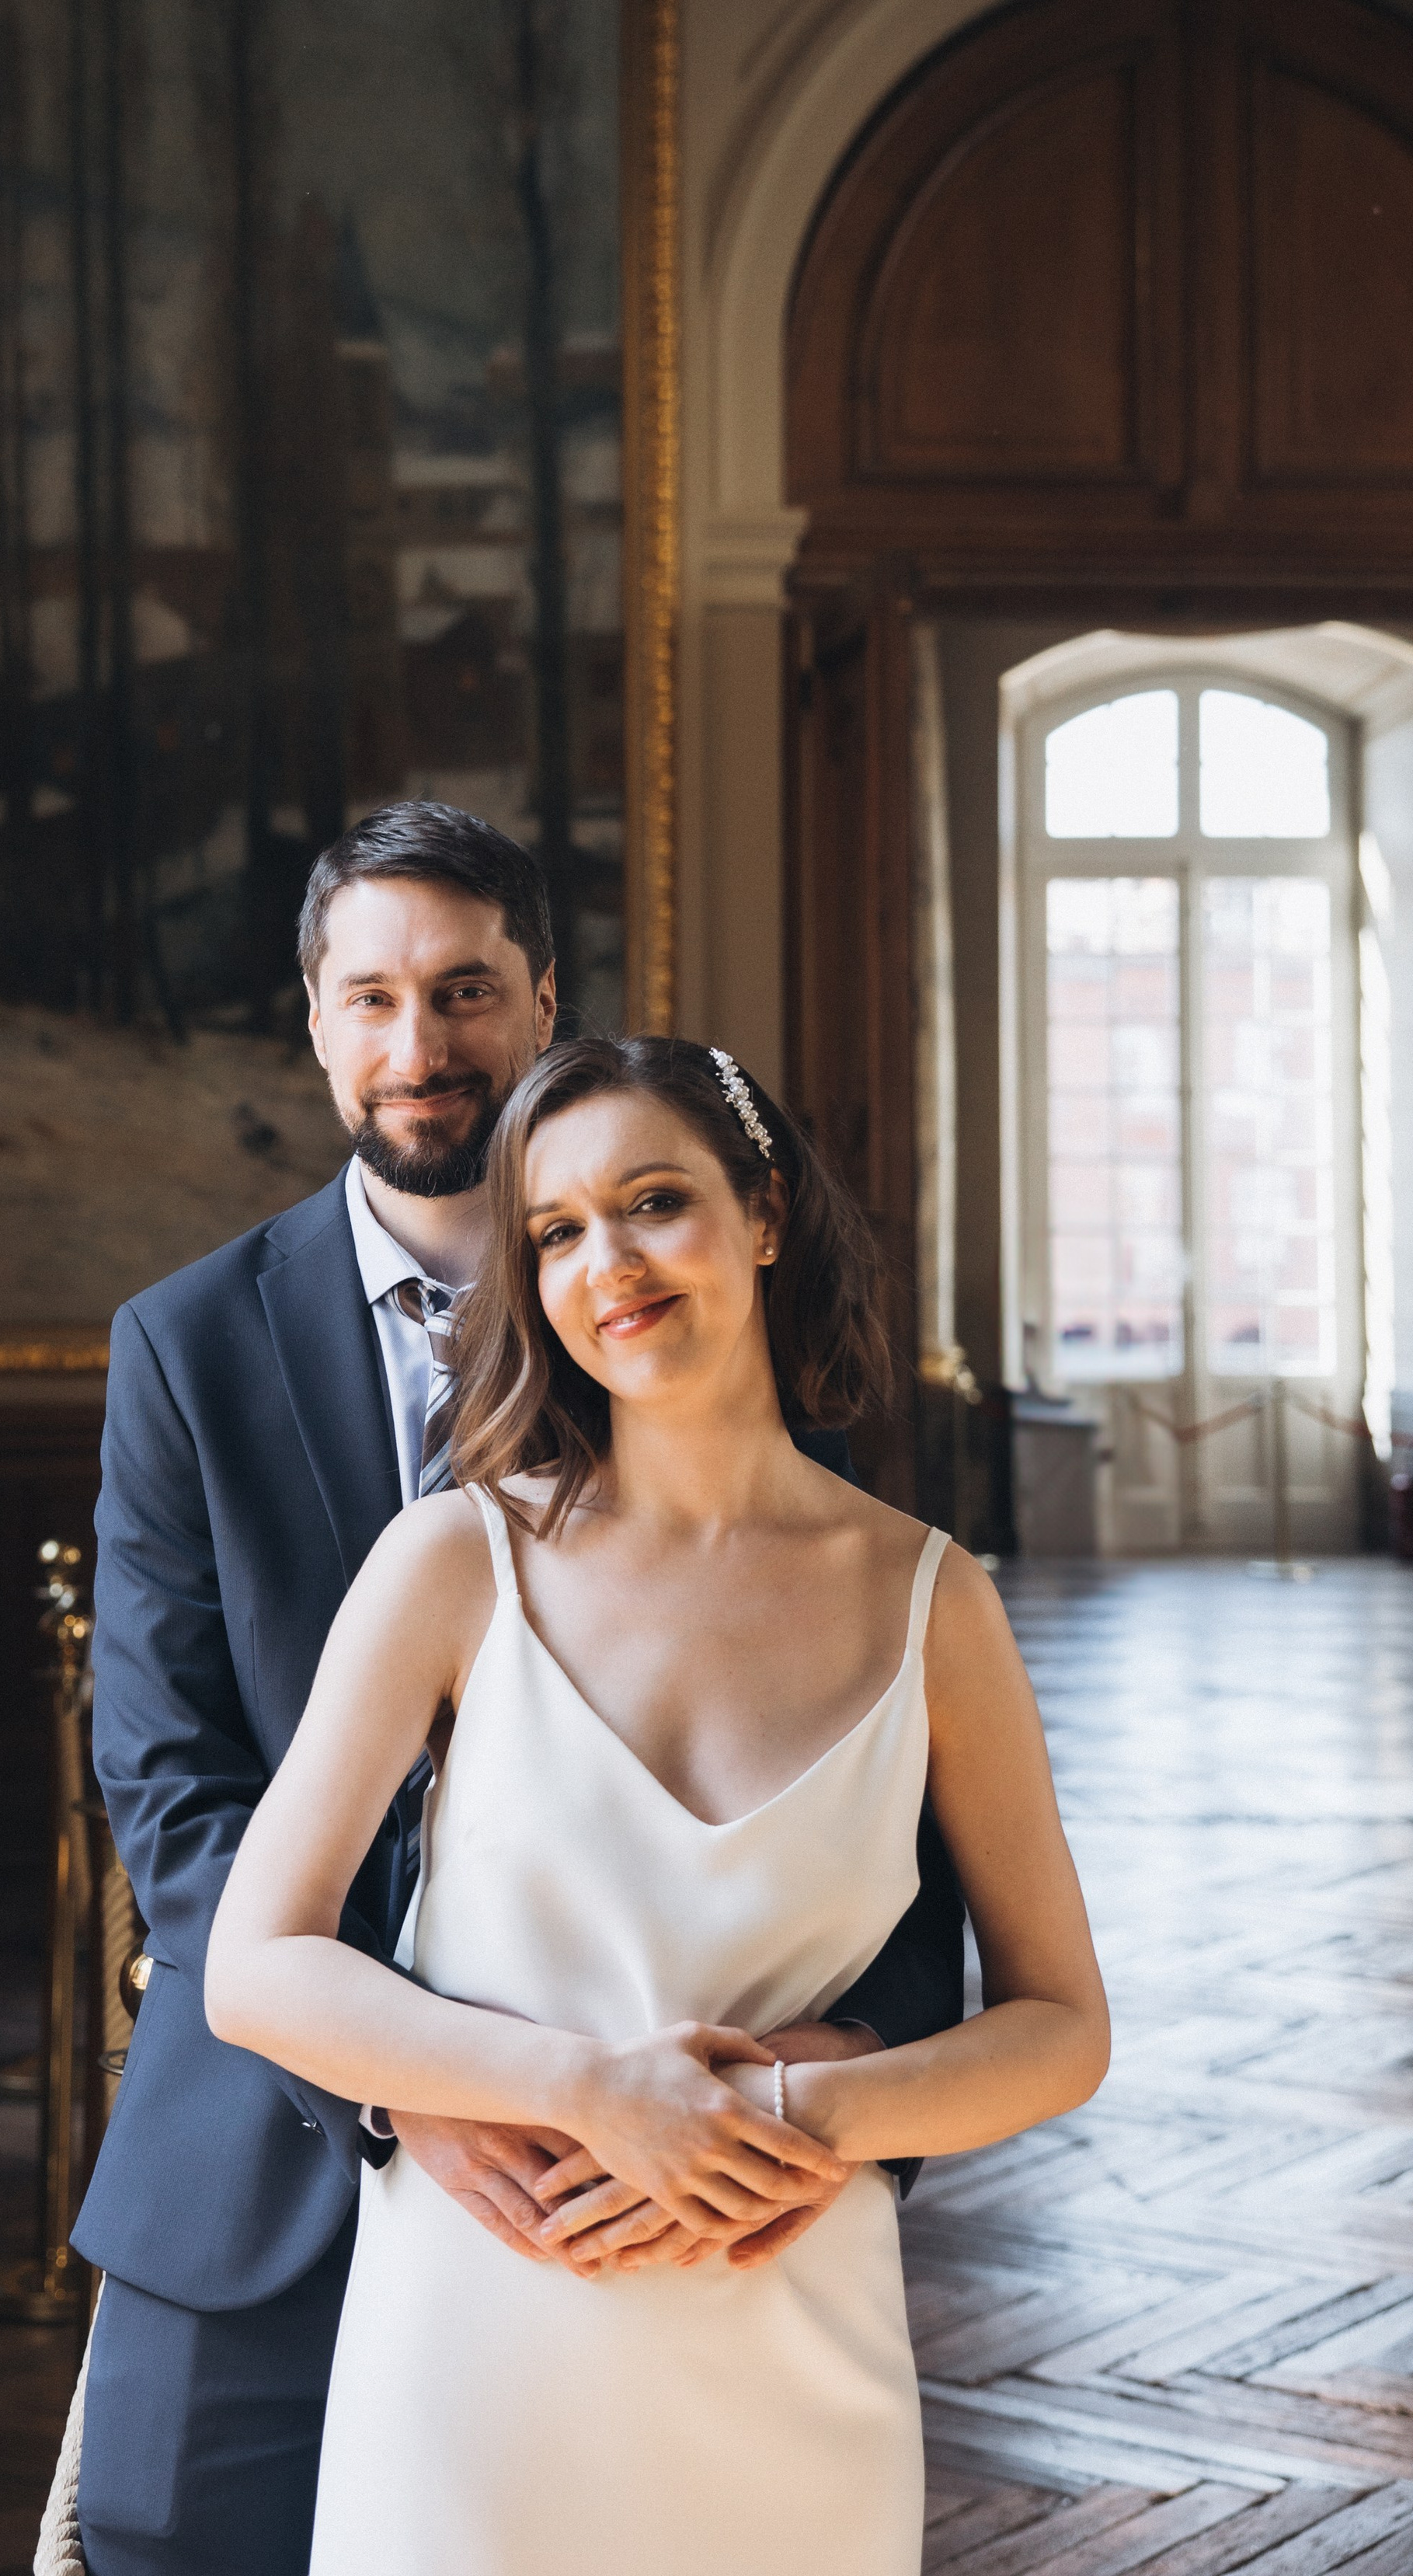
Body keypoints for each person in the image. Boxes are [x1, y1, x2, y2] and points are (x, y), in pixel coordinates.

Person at [64, 807, 969, 2575]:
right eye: (375, 999)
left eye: (468, 991)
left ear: (542, 1002)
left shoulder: (711, 1357)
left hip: (655, 2176)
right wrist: (417, 2088)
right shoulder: (184, 1344)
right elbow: (168, 1786)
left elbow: (879, 1812)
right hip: (266, 2144)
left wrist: (834, 2072)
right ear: (314, 1023)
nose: (422, 1049)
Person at [207, 1030, 1109, 2575]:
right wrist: (581, 2089)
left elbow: (1058, 2027)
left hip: (789, 2331)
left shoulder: (927, 1599)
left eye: (650, 1203)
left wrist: (779, 2112)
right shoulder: (451, 1563)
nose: (605, 1263)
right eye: (554, 1232)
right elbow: (256, 1966)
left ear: (760, 1211)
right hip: (476, 2339)